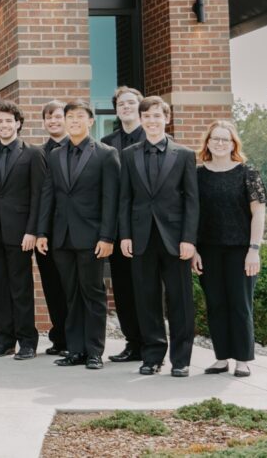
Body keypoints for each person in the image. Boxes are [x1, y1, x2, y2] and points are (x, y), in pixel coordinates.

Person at [118, 96, 199, 377]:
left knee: (180, 300)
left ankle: (181, 359)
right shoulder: (129, 154)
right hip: (141, 237)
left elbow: (191, 200)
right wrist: (125, 234)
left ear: (167, 118)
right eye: (147, 116)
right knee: (146, 298)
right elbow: (125, 198)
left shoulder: (185, 154)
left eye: (157, 116)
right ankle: (152, 356)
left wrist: (189, 239)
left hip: (175, 239)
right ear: (141, 120)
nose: (152, 121)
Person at [37, 101, 119, 370]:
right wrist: (42, 232)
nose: (73, 121)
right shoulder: (55, 154)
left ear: (90, 121)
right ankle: (75, 350)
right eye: (69, 117)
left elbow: (110, 200)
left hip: (93, 238)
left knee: (92, 293)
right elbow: (48, 195)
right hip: (62, 237)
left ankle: (94, 351)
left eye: (79, 117)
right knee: (70, 294)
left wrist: (107, 237)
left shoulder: (106, 154)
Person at [193, 120, 267, 378]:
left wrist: (254, 249)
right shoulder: (197, 175)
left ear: (234, 143)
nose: (220, 143)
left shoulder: (248, 174)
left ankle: (243, 360)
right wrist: (194, 249)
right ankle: (221, 358)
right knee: (215, 304)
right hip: (208, 250)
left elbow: (258, 214)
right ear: (208, 143)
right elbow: (191, 214)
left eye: (225, 139)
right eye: (215, 138)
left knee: (240, 304)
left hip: (241, 251)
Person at [0, 100, 46, 360]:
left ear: (18, 123)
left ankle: (27, 341)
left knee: (20, 288)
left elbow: (38, 196)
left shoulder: (33, 154)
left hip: (20, 234)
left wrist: (32, 231)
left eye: (8, 121)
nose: (3, 125)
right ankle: (3, 340)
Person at [101, 86, 146, 364]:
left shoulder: (153, 138)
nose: (126, 107)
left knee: (147, 288)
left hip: (145, 228)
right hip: (118, 229)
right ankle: (132, 343)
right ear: (116, 109)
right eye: (121, 103)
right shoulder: (107, 143)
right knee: (124, 290)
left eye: (131, 103)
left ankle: (152, 344)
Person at [36, 100, 69, 356]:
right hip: (45, 232)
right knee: (52, 286)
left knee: (72, 286)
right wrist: (39, 232)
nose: (53, 121)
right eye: (49, 118)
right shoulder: (39, 153)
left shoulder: (79, 148)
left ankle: (76, 337)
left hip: (72, 230)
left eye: (57, 116)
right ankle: (59, 337)